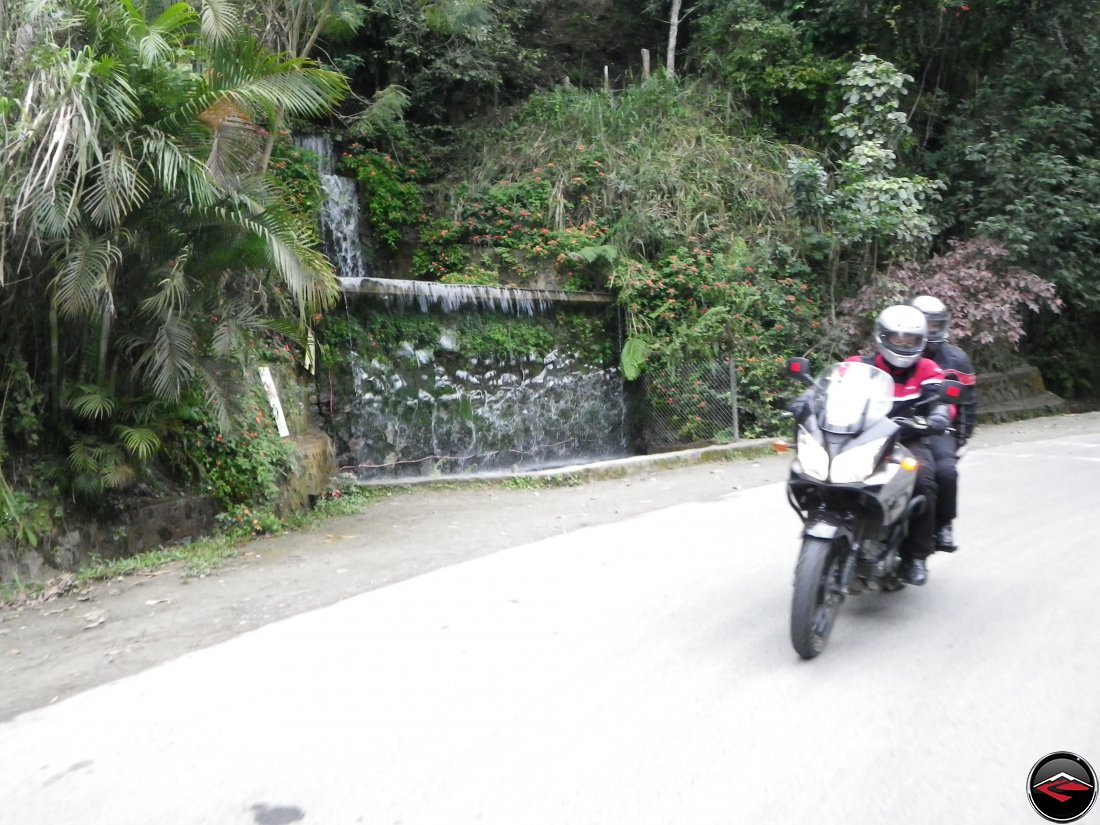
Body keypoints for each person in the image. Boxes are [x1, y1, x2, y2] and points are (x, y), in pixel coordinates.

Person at [788, 305, 949, 585]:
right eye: (896, 339)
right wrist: (806, 397)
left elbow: (940, 399)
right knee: (814, 468)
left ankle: (916, 556)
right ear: (882, 337)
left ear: (920, 341)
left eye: (909, 340)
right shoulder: (859, 365)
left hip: (907, 436)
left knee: (924, 480)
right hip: (861, 434)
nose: (902, 345)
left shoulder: (928, 369)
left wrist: (937, 415)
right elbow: (826, 387)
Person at [908, 295, 978, 552]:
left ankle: (943, 524)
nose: (931, 330)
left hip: (938, 428)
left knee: (946, 473)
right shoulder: (898, 351)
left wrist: (961, 437)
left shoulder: (956, 359)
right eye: (926, 324)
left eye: (935, 324)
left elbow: (968, 402)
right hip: (898, 424)